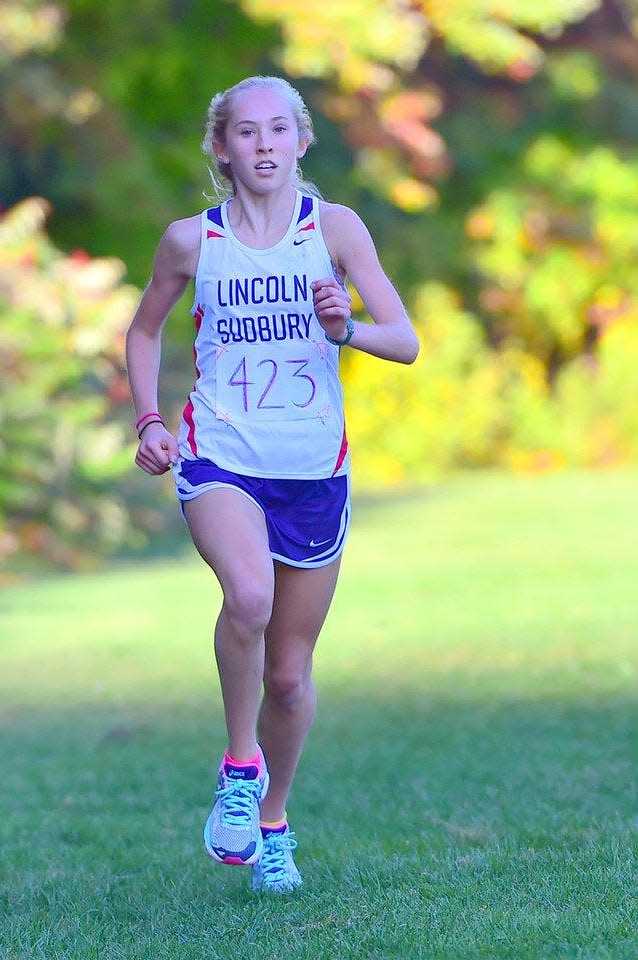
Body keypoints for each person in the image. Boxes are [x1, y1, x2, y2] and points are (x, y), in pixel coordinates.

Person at [125, 75, 419, 894]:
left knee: (288, 675)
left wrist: (345, 328)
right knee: (246, 598)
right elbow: (144, 329)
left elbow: (404, 340)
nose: (262, 144)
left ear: (300, 142)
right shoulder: (192, 241)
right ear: (222, 148)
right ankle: (237, 768)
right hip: (220, 452)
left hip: (312, 468)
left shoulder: (335, 229)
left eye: (278, 130)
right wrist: (149, 419)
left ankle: (274, 822)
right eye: (245, 132)